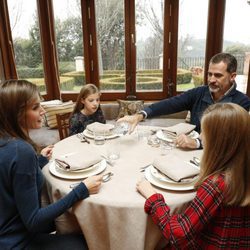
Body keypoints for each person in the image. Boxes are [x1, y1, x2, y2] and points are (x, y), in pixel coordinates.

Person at [0, 80, 103, 249]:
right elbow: (34, 221)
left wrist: (38, 162)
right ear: (16, 114)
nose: (43, 111)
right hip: (16, 241)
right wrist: (81, 190)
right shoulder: (21, 150)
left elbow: (13, 181)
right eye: (35, 108)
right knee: (91, 241)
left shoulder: (8, 143)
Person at [136, 102, 250, 249]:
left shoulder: (216, 185)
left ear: (219, 142)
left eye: (204, 132)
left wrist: (153, 198)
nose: (201, 136)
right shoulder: (241, 173)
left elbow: (177, 234)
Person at [118, 53, 250, 149]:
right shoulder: (199, 93)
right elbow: (170, 104)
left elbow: (228, 138)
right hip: (190, 153)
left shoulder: (242, 102)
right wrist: (140, 115)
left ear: (232, 76)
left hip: (218, 159)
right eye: (209, 74)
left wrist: (197, 143)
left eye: (218, 75)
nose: (211, 80)